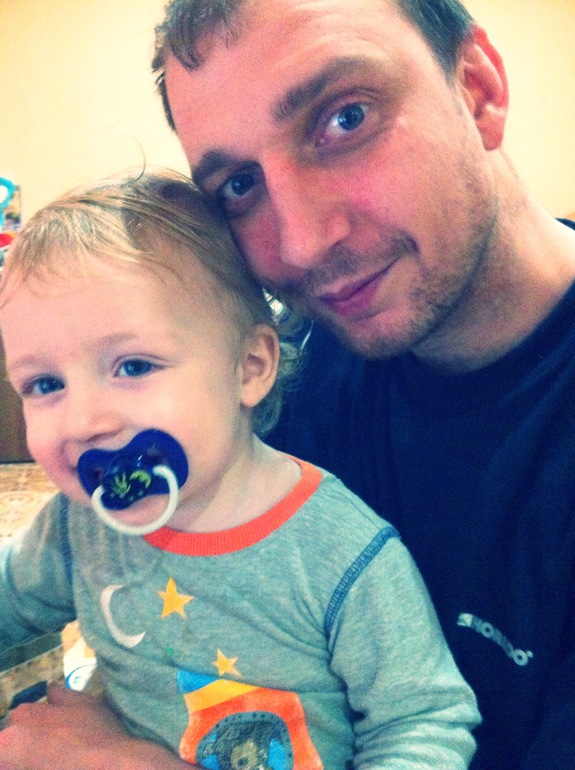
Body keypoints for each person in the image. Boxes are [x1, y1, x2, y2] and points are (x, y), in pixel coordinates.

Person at [150, 1, 575, 769]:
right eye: (239, 186)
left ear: (476, 88)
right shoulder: (286, 384)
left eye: (344, 119)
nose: (302, 245)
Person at [0, 169, 480, 769]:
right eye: (45, 384)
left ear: (250, 367)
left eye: (134, 366)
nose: (83, 422)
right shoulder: (78, 527)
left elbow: (423, 723)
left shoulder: (340, 552)